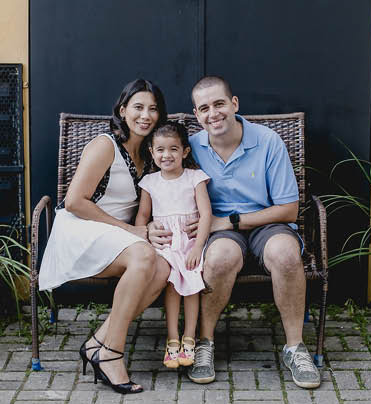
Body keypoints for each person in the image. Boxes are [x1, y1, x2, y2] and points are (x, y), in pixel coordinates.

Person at [170, 75, 319, 388]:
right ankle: (204, 344)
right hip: (222, 233)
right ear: (196, 115)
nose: (214, 113)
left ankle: (295, 347)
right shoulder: (191, 149)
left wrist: (231, 221)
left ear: (234, 104)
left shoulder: (267, 141)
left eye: (220, 103)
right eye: (205, 108)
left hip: (268, 223)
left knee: (285, 253)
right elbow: (165, 181)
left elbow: (289, 210)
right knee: (219, 257)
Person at [38, 79, 172, 394]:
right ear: (122, 110)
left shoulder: (152, 152)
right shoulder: (105, 145)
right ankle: (112, 353)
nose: (146, 115)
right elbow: (74, 201)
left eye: (153, 109)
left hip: (116, 237)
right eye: (138, 107)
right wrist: (135, 232)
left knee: (164, 267)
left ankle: (99, 341)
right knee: (144, 255)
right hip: (79, 231)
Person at [133, 122, 212, 370]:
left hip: (190, 243)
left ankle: (190, 336)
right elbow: (142, 218)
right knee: (171, 283)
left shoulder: (195, 178)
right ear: (152, 151)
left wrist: (199, 247)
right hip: (165, 244)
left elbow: (206, 214)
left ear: (185, 152)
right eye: (160, 150)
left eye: (173, 149)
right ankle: (172, 338)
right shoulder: (150, 182)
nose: (166, 155)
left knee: (191, 282)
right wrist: (146, 237)